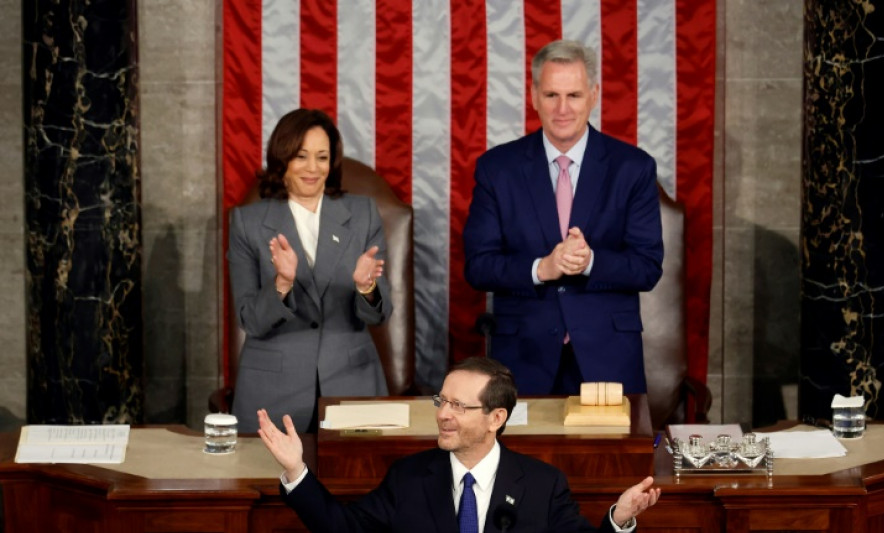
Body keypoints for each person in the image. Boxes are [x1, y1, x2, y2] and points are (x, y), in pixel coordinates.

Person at [463, 40, 663, 396]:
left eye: (574, 95)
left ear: (594, 95)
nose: (562, 108)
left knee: (608, 454)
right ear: (534, 95)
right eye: (552, 94)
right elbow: (479, 266)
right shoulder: (497, 169)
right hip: (523, 357)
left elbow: (647, 266)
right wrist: (542, 268)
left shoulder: (633, 168)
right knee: (523, 454)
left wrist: (590, 262)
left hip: (607, 357)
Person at [258, 357, 660, 532]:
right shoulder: (409, 477)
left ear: (495, 419)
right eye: (442, 401)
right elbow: (342, 528)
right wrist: (296, 470)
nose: (443, 414)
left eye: (459, 407)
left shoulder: (542, 484)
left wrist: (618, 519)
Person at [228, 108, 392, 433]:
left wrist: (366, 288)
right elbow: (251, 320)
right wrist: (281, 283)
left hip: (351, 384)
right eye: (301, 156)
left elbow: (379, 315)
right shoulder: (247, 223)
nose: (313, 168)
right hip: (272, 391)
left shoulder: (362, 215)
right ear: (282, 158)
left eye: (322, 157)